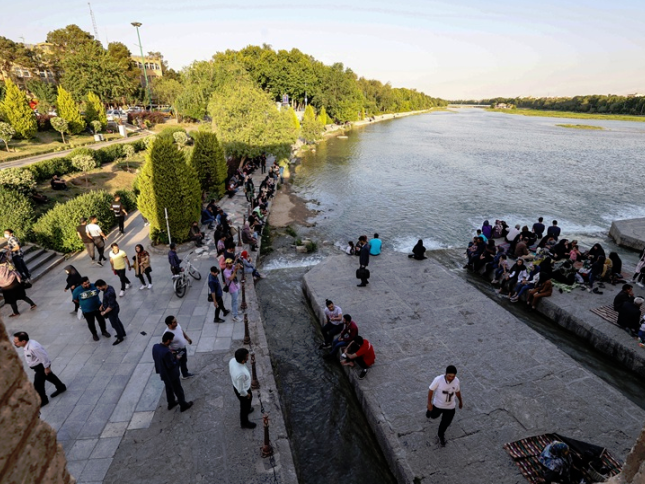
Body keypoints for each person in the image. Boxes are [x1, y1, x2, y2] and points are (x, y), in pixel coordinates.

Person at [13, 332, 66, 407]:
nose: (14, 343)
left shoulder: (33, 347)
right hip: (38, 367)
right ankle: (61, 387)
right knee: (49, 376)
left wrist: (46, 368)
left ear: (23, 341)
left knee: (38, 385)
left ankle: (43, 401)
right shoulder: (28, 345)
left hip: (41, 367)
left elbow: (44, 357)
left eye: (16, 342)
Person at [152, 332, 193, 412]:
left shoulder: (155, 346)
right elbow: (171, 365)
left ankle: (171, 403)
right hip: (171, 375)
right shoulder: (166, 352)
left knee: (169, 388)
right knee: (178, 389)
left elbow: (157, 357)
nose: (171, 342)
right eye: (171, 340)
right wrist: (177, 358)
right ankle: (183, 405)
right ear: (168, 340)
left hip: (163, 372)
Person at [426, 365, 463, 447]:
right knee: (434, 416)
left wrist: (460, 401)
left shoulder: (456, 381)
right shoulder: (438, 380)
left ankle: (441, 435)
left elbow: (457, 391)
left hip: (450, 407)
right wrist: (429, 403)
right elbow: (431, 390)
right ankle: (430, 411)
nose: (451, 378)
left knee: (445, 423)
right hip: (438, 405)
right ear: (445, 374)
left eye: (453, 376)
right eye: (449, 376)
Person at [72, 277, 110, 341]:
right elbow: (75, 300)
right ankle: (94, 334)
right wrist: (83, 303)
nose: (87, 285)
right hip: (87, 311)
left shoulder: (94, 286)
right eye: (85, 284)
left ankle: (104, 331)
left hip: (98, 308)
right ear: (81, 284)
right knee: (91, 323)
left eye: (88, 283)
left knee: (101, 321)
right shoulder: (77, 290)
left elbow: (100, 290)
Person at [0, 253, 36, 317]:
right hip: (14, 282)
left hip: (6, 287)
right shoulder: (8, 264)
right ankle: (32, 304)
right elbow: (15, 272)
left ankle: (16, 312)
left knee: (12, 300)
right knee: (22, 296)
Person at [229, 348, 256, 429]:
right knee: (244, 406)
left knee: (247, 404)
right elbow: (241, 390)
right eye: (247, 357)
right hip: (243, 390)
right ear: (242, 360)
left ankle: (248, 409)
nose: (248, 358)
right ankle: (244, 422)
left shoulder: (232, 361)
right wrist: (247, 394)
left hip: (235, 385)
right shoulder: (241, 374)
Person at [96, 279, 127, 345]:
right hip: (113, 309)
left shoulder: (109, 293)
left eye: (99, 288)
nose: (99, 289)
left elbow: (111, 306)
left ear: (102, 286)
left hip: (113, 311)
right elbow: (105, 299)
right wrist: (102, 305)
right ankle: (122, 333)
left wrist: (104, 312)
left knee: (115, 324)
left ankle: (120, 337)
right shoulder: (108, 288)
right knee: (117, 321)